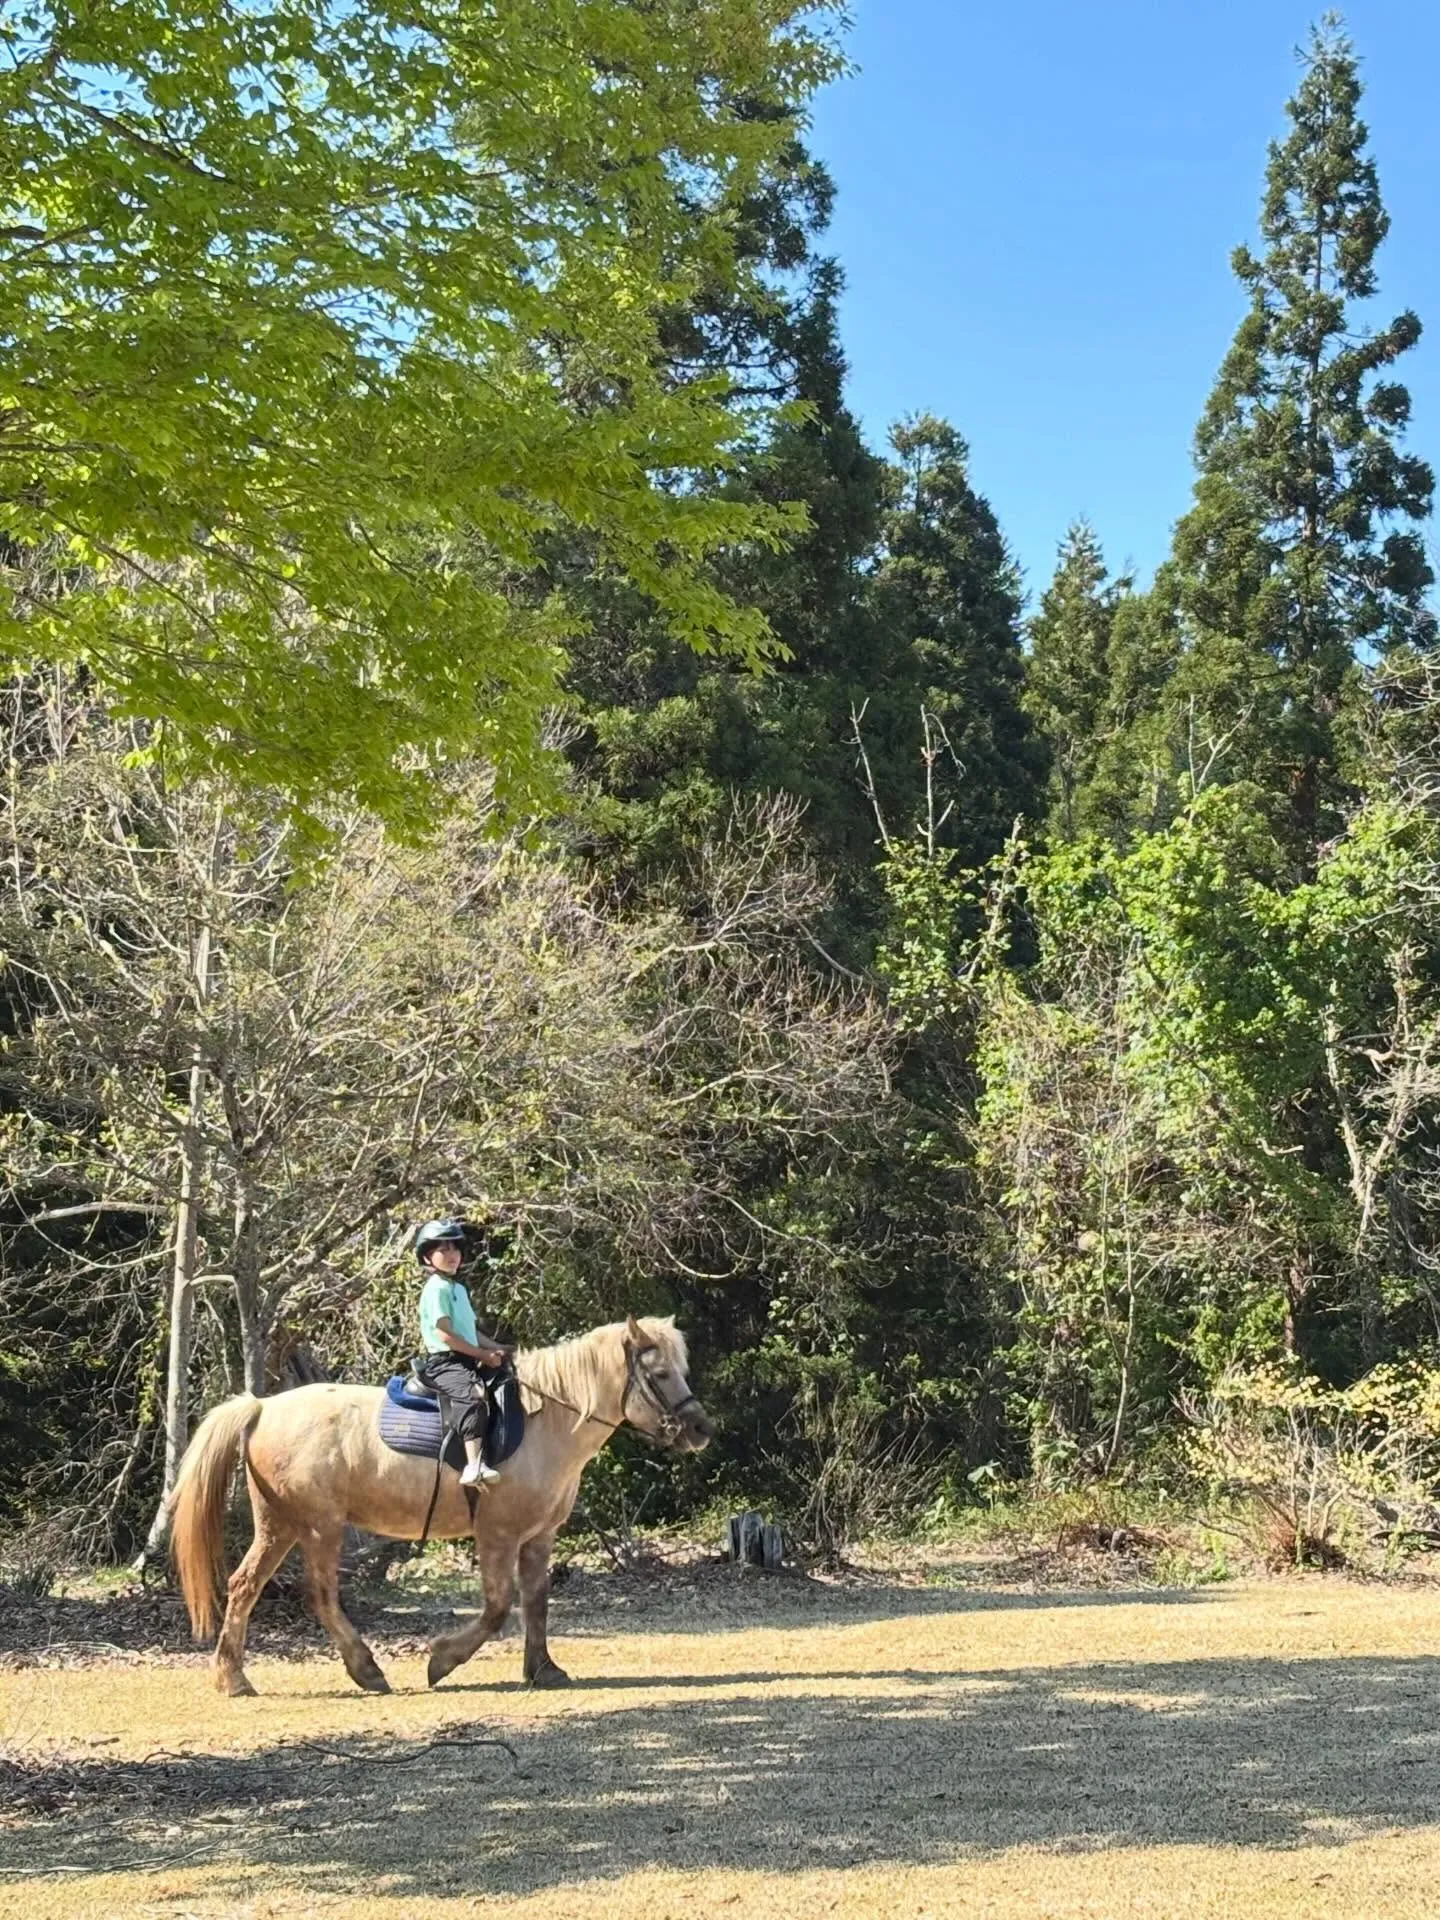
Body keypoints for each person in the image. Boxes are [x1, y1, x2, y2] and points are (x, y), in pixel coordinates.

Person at [413, 1218, 506, 1487]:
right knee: (472, 1394)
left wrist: (499, 1349)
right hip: (445, 1362)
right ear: (428, 1257)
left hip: (466, 1357)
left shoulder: (458, 1289)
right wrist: (482, 1355)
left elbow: (471, 1333)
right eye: (444, 1250)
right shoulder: (436, 1289)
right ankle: (473, 1464)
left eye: (455, 1249)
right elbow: (446, 1336)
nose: (452, 1255)